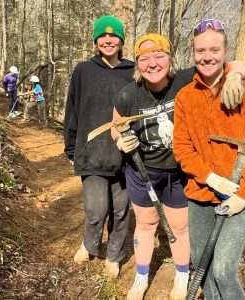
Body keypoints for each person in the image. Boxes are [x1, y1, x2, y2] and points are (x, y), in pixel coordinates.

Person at [111, 33, 245, 300]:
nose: (153, 63)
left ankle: (182, 276)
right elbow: (115, 125)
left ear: (170, 59)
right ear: (138, 64)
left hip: (179, 170)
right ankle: (141, 279)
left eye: (159, 56)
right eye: (145, 58)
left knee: (180, 226)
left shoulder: (185, 79)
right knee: (146, 223)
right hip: (143, 171)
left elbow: (238, 66)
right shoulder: (129, 95)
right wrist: (120, 141)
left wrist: (234, 77)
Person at [173, 19, 245, 300]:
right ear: (193, 53)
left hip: (243, 197)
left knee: (224, 270)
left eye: (214, 50)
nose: (207, 57)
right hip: (201, 193)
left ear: (226, 51)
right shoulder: (185, 96)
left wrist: (244, 194)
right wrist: (208, 176)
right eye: (201, 50)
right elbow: (181, 147)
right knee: (203, 269)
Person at [63, 15, 135, 279]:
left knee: (120, 210)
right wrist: (71, 147)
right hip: (91, 152)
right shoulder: (83, 70)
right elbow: (73, 109)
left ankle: (114, 255)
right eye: (103, 36)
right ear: (96, 40)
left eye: (113, 35)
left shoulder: (133, 72)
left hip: (126, 155)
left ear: (121, 40)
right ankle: (89, 243)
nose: (108, 40)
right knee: (96, 209)